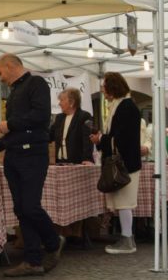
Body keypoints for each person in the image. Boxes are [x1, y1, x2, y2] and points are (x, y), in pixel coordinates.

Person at [0, 54, 60, 277]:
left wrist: (9, 124)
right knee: (21, 209)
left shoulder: (36, 84)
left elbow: (41, 117)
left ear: (10, 66)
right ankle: (32, 260)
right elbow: (14, 134)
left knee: (30, 206)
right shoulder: (13, 93)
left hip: (33, 156)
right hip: (14, 156)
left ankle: (53, 241)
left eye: (0, 73)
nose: (0, 78)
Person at [90, 72, 142, 254]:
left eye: (105, 87)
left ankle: (127, 240)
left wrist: (101, 139)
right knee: (122, 202)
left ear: (113, 88)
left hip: (126, 163)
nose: (103, 91)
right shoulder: (122, 106)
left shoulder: (126, 107)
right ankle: (126, 238)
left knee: (124, 202)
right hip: (126, 162)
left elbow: (121, 138)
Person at [49, 88, 93, 164]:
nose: (59, 103)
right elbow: (49, 136)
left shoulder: (85, 116)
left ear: (71, 102)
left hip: (78, 163)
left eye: (62, 100)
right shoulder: (59, 118)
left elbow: (88, 140)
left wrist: (87, 159)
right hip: (60, 163)